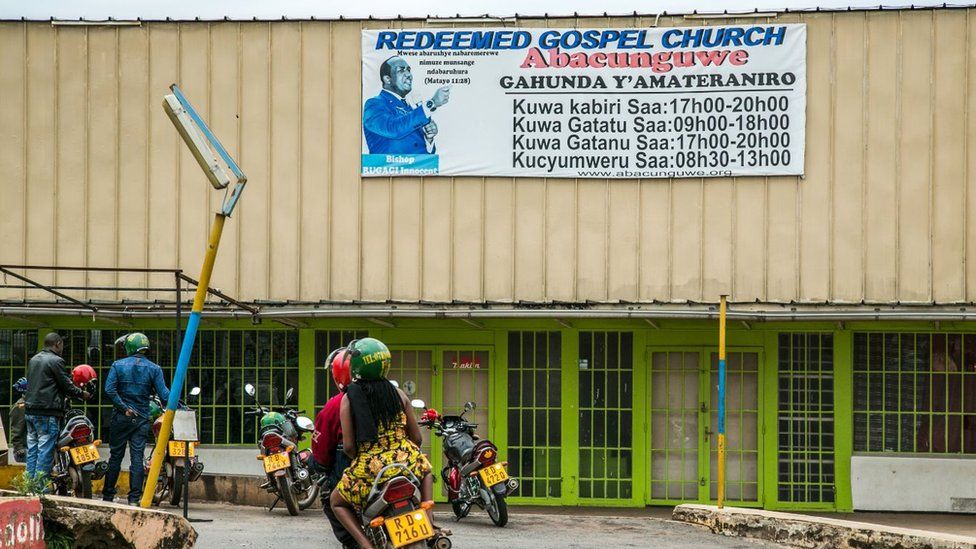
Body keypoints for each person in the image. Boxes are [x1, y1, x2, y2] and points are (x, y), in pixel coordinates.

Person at [330, 337, 435, 549]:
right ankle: (429, 521)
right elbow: (417, 439)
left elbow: (349, 447)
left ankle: (366, 544)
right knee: (426, 470)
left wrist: (363, 459)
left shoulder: (348, 398)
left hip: (371, 468)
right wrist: (404, 449)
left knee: (336, 502)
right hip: (405, 461)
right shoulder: (398, 393)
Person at [102, 332, 170, 505]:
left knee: (115, 456)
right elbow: (164, 395)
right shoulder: (155, 369)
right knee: (137, 458)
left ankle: (108, 496)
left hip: (121, 417)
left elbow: (109, 390)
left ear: (129, 347)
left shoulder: (117, 365)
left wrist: (124, 408)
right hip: (141, 419)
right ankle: (134, 499)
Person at [24, 332, 90, 482]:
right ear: (58, 344)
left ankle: (29, 487)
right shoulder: (56, 361)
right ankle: (40, 490)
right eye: (61, 345)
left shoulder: (34, 360)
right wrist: (82, 394)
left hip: (30, 411)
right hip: (47, 412)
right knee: (44, 451)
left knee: (32, 450)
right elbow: (66, 384)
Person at [312, 348, 355, 549]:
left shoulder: (338, 403)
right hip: (400, 464)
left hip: (354, 471)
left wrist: (317, 464)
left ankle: (354, 542)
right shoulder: (394, 395)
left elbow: (322, 456)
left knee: (331, 500)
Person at [362, 56, 451, 154]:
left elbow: (423, 154)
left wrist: (428, 139)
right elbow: (393, 129)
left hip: (417, 169)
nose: (409, 74)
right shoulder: (374, 104)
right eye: (401, 70)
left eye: (408, 70)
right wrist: (432, 103)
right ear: (387, 79)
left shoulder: (411, 110)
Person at [8, 377, 28, 463]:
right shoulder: (20, 406)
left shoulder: (29, 403)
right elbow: (16, 428)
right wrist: (19, 447)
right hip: (24, 449)